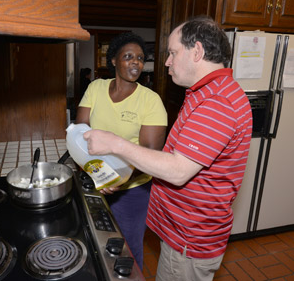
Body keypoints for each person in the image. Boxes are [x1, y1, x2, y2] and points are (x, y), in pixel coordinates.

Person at [83, 16, 253, 280]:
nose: (167, 62)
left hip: (189, 239)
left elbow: (177, 171)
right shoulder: (207, 93)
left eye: (173, 53)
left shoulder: (216, 102)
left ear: (196, 51)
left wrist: (114, 143)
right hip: (183, 233)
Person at [75, 32, 167, 270]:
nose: (136, 62)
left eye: (140, 57)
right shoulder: (96, 88)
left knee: (128, 249)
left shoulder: (151, 101)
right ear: (114, 60)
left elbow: (149, 154)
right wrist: (97, 176)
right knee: (96, 242)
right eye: (128, 56)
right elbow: (80, 133)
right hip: (93, 178)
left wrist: (115, 180)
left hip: (132, 190)